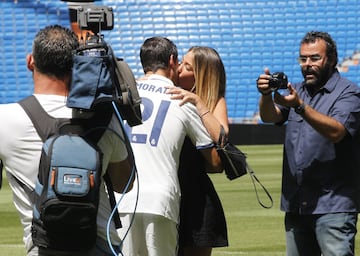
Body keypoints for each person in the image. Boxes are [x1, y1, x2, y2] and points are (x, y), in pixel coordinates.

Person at [0, 25, 133, 256]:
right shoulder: (106, 117)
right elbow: (124, 183)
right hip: (100, 244)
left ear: (30, 61)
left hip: (43, 247)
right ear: (76, 64)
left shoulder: (5, 119)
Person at [256, 31, 360, 255]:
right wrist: (265, 94)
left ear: (331, 59)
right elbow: (270, 116)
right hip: (297, 204)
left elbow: (337, 131)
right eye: (303, 59)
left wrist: (301, 107)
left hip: (333, 204)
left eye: (315, 58)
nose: (307, 64)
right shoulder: (297, 89)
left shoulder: (349, 93)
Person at [116, 37, 223, 256]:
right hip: (160, 201)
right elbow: (215, 162)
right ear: (172, 60)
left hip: (121, 201)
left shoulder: (121, 95)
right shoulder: (182, 99)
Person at [166, 46, 229, 256]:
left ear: (200, 76)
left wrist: (199, 103)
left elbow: (222, 136)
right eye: (181, 62)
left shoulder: (214, 101)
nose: (179, 69)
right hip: (167, 193)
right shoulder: (167, 93)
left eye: (187, 66)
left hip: (196, 201)